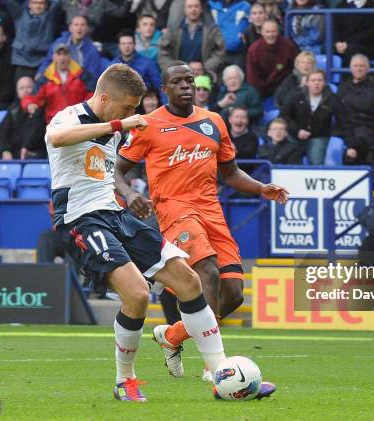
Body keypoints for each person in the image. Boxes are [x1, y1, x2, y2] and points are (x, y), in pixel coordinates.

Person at [46, 63, 231, 402]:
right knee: (137, 295)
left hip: (115, 214)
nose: (131, 113)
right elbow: (56, 138)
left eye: (133, 109)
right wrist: (121, 122)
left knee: (188, 281)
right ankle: (124, 381)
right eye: (127, 107)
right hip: (81, 219)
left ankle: (222, 374)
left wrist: (129, 196)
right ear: (105, 98)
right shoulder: (69, 116)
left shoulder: (116, 126)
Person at [115, 61, 287, 390]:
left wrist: (260, 187)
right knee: (205, 271)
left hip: (211, 209)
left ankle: (172, 335)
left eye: (189, 81)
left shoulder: (213, 122)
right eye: (177, 82)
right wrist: (129, 193)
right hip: (175, 209)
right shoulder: (147, 125)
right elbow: (117, 170)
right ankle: (217, 368)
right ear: (164, 90)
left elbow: (231, 173)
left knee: (233, 293)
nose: (185, 86)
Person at [280, 69, 342, 165]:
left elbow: (342, 120)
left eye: (319, 80)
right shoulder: (296, 95)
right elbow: (284, 115)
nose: (316, 83)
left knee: (316, 161)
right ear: (307, 83)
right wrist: (297, 131)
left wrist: (333, 134)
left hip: (319, 136)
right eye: (313, 80)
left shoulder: (332, 98)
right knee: (289, 160)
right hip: (294, 135)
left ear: (324, 83)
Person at [22, 43, 96, 124]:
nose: (62, 58)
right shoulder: (45, 78)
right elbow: (33, 98)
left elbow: (93, 95)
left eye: (65, 54)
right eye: (59, 54)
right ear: (53, 57)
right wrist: (30, 104)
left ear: (69, 57)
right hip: (55, 123)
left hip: (79, 121)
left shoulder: (82, 74)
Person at [157, 0, 226, 78]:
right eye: (190, 6)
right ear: (185, 9)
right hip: (178, 76)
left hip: (204, 76)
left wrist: (205, 68)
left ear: (201, 9)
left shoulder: (212, 29)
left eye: (196, 6)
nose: (193, 9)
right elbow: (163, 52)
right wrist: (174, 69)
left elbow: (220, 52)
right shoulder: (174, 28)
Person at [337, 53, 374, 165]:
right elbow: (338, 107)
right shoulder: (343, 86)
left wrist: (346, 101)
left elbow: (367, 105)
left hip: (365, 126)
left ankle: (352, 158)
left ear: (368, 69)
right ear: (351, 68)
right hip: (344, 125)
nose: (359, 69)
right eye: (356, 66)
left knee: (358, 143)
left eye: (362, 66)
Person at [4, 0, 64, 80]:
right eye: (34, 3)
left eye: (41, 3)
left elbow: (58, 2)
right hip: (22, 61)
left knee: (42, 91)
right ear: (29, 4)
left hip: (43, 61)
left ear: (46, 5)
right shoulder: (20, 14)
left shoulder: (51, 16)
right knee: (23, 90)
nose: (38, 6)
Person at [37, 15, 106, 80]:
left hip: (80, 84)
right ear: (70, 28)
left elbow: (93, 75)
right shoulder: (59, 43)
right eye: (76, 25)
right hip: (57, 81)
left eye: (82, 25)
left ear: (87, 29)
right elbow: (48, 60)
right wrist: (40, 72)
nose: (79, 28)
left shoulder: (93, 50)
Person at [0, 76, 47, 159]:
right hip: (14, 152)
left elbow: (39, 133)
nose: (25, 90)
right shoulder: (13, 110)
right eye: (21, 88)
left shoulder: (42, 107)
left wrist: (27, 147)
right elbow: (2, 133)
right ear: (17, 92)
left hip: (35, 151)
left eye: (29, 87)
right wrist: (5, 150)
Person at [246, 19, 298, 99]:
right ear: (262, 33)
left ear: (278, 32)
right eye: (267, 32)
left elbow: (295, 67)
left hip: (284, 87)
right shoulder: (254, 49)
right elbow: (252, 77)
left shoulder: (288, 45)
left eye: (273, 31)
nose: (271, 35)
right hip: (262, 88)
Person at [228, 105, 258, 171]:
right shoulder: (223, 134)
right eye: (237, 117)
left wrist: (235, 150)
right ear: (230, 120)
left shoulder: (253, 137)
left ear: (247, 120)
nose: (239, 120)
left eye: (243, 117)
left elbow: (249, 154)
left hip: (246, 173)